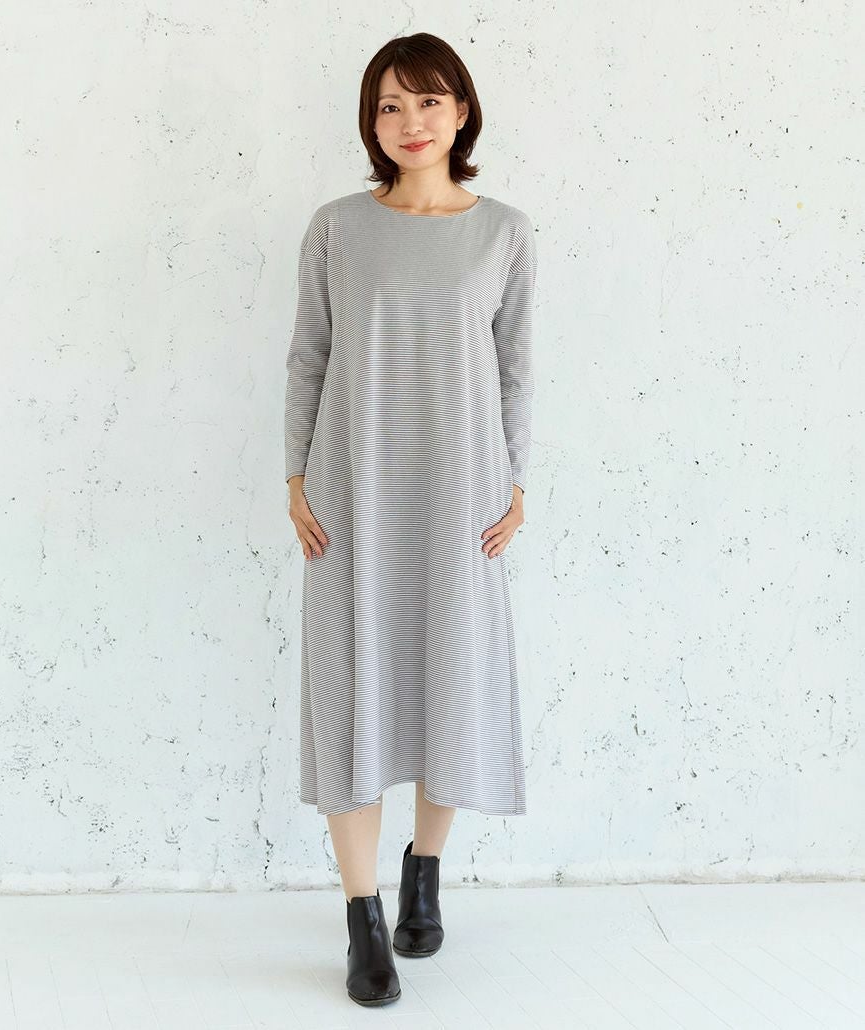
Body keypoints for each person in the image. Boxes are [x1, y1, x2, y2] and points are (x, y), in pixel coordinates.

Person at [284, 31, 538, 1007]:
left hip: (462, 491)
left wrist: (516, 482)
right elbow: (309, 356)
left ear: (462, 112)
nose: (410, 121)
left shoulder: (503, 232)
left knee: (448, 678)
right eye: (390, 105)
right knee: (351, 688)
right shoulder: (339, 228)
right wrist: (295, 476)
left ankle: (423, 874)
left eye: (429, 101)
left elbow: (515, 368)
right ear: (371, 122)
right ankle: (362, 918)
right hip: (351, 491)